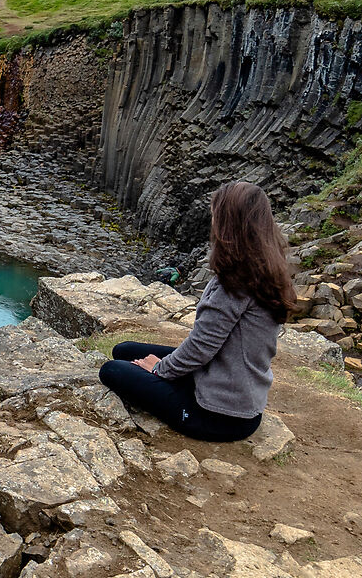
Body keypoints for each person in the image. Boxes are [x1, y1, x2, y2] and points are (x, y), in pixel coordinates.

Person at [98, 181, 293, 442]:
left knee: (112, 370)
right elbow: (209, 346)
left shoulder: (236, 283)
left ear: (227, 224)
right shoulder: (264, 268)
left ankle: (174, 389)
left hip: (220, 415)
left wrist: (159, 370)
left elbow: (202, 347)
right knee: (124, 350)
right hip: (229, 385)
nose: (211, 223)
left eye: (215, 216)